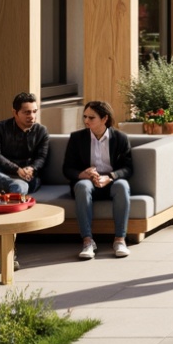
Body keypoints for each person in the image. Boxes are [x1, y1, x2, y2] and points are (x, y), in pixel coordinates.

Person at [64, 100, 133, 259]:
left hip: (111, 182)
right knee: (82, 186)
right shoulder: (77, 138)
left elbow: (128, 168)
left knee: (122, 185)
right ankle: (88, 242)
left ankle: (120, 240)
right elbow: (67, 168)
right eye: (85, 117)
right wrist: (83, 174)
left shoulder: (120, 138)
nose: (86, 121)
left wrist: (110, 177)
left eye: (91, 117)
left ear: (104, 119)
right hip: (89, 182)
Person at [0, 92, 49, 196]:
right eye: (27, 112)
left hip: (26, 175)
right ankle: (5, 197)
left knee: (21, 186)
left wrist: (32, 168)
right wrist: (16, 169)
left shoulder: (41, 131)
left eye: (34, 112)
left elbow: (41, 157)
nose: (32, 116)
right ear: (15, 112)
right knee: (16, 185)